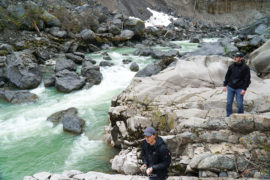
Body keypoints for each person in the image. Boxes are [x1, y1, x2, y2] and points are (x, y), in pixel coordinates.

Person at [223, 52, 251, 117]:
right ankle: (228, 116)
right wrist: (225, 85)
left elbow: (247, 79)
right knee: (229, 103)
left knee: (240, 104)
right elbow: (227, 76)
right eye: (234, 57)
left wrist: (244, 89)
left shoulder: (245, 68)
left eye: (237, 57)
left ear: (241, 58)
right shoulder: (231, 66)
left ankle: (240, 117)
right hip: (230, 87)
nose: (235, 58)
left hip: (240, 88)